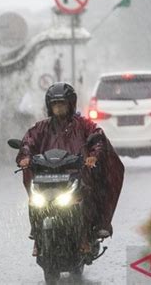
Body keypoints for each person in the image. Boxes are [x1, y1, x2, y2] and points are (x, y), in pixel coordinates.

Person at [15, 82, 124, 254]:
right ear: (49, 106)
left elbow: (98, 139)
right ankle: (37, 235)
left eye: (62, 103)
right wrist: (25, 157)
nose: (58, 108)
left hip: (76, 175)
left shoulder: (84, 125)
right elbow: (28, 141)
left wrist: (93, 156)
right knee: (35, 200)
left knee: (87, 196)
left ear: (70, 104)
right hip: (47, 177)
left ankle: (86, 237)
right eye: (55, 104)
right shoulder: (41, 127)